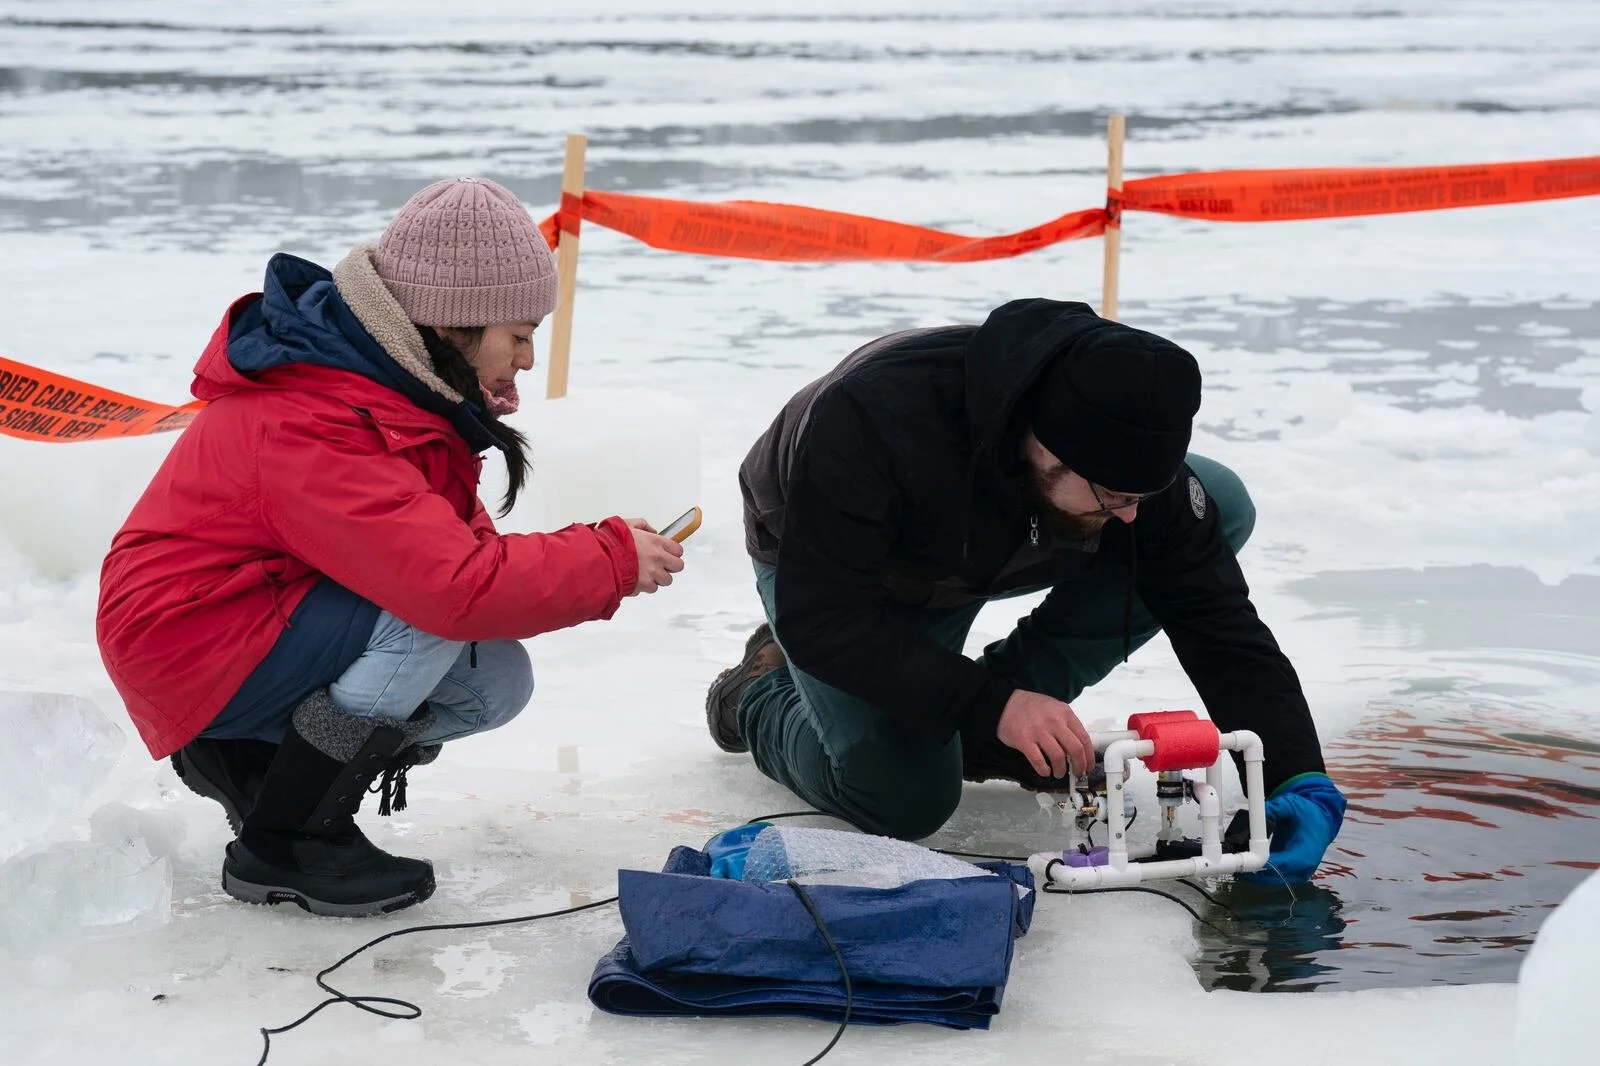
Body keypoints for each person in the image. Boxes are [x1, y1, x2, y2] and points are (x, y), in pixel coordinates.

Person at [97, 177, 686, 916]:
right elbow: (451, 587)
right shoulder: (318, 414)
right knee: (427, 619)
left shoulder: (402, 394)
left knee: (494, 682)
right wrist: (607, 560)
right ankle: (286, 840)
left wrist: (601, 555)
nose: (528, 361)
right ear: (452, 325)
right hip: (188, 636)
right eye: (520, 336)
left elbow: (454, 562)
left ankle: (261, 763)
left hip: (252, 618)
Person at [707, 298, 1346, 883]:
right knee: (903, 798)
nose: (1129, 515)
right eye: (1116, 497)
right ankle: (756, 693)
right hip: (851, 574)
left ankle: (984, 737)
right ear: (1046, 447)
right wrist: (993, 702)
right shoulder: (870, 418)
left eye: (1141, 496)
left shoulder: (1115, 432)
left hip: (1003, 537)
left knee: (1218, 503)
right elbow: (823, 617)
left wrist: (1297, 775)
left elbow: (1217, 621)